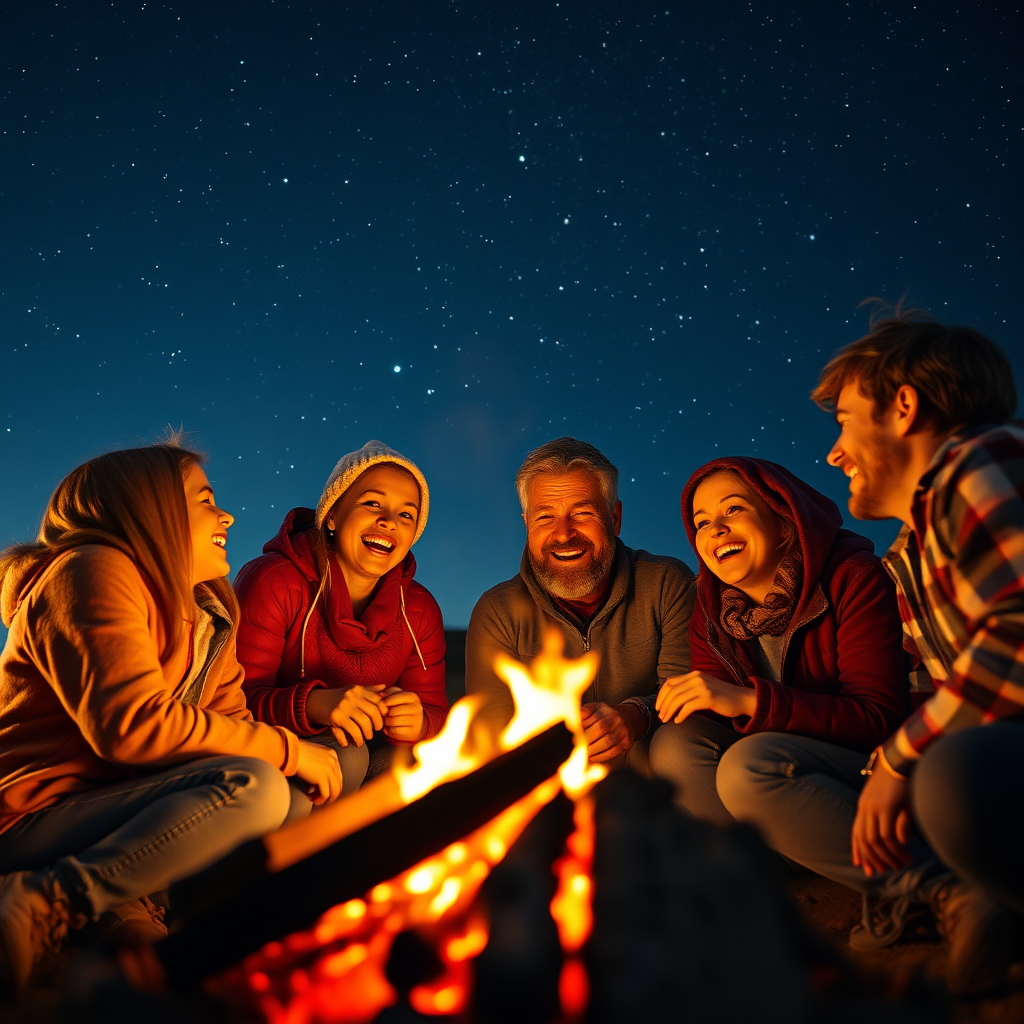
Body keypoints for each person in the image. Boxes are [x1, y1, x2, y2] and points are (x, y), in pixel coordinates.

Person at [722, 306, 1023, 993]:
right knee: (757, 768)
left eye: (845, 420)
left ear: (905, 407)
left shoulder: (982, 460)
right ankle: (954, 894)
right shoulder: (909, 553)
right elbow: (931, 692)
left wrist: (897, 759)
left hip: (989, 764)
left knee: (951, 778)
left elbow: (1016, 633)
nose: (833, 452)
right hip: (978, 756)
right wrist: (886, 769)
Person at [0, 442, 340, 997]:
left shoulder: (208, 613)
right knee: (253, 788)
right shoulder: (89, 570)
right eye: (204, 500)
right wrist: (289, 747)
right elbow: (131, 726)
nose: (226, 514)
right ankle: (47, 902)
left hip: (113, 808)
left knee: (289, 795)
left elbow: (230, 730)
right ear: (147, 508)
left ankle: (126, 914)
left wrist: (286, 760)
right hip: (29, 816)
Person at [649, 456, 908, 827]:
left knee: (748, 762)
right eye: (702, 523)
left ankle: (897, 868)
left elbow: (876, 718)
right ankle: (760, 865)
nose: (716, 530)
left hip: (866, 769)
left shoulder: (854, 579)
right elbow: (709, 712)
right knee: (674, 746)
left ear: (784, 521)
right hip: (765, 769)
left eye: (733, 509)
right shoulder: (713, 612)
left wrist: (747, 700)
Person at [466, 437, 696, 770]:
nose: (563, 534)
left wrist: (634, 717)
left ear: (615, 518)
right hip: (546, 785)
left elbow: (689, 700)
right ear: (527, 523)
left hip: (653, 787)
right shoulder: (497, 612)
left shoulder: (667, 584)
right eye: (545, 517)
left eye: (582, 513)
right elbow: (493, 735)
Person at [235, 441, 447, 787]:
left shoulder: (419, 610)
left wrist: (419, 721)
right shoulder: (275, 581)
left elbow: (436, 713)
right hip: (271, 752)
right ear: (332, 515)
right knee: (347, 754)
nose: (389, 521)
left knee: (420, 767)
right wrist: (315, 704)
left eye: (406, 514)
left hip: (367, 753)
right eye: (372, 503)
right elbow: (231, 702)